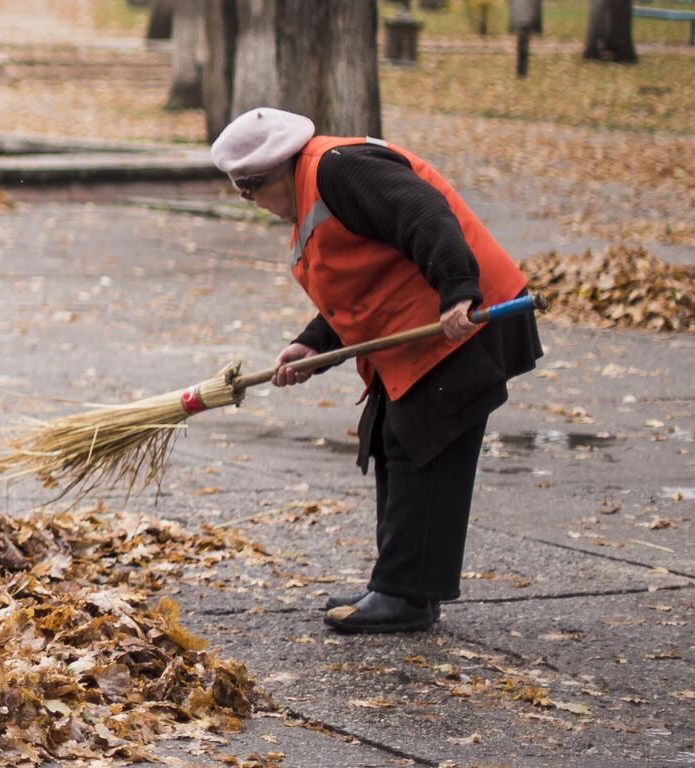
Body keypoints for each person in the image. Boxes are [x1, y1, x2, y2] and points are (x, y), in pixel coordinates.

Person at [210, 107, 542, 634]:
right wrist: (310, 344)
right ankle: (402, 585)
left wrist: (459, 290)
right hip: (422, 330)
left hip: (465, 320)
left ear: (267, 176)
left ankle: (404, 595)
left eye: (249, 194)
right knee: (395, 440)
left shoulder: (339, 170)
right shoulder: (314, 192)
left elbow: (425, 214)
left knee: (421, 444)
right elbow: (361, 284)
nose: (254, 206)